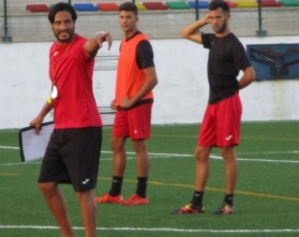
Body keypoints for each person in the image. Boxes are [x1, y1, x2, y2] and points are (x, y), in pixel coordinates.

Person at [29, 2, 112, 237]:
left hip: (84, 128)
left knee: (83, 191)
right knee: (45, 184)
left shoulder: (81, 48)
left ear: (74, 23)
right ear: (52, 26)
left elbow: (91, 46)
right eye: (58, 23)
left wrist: (99, 39)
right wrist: (42, 114)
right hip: (61, 128)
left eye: (67, 22)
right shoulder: (53, 51)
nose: (63, 27)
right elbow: (56, 89)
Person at [172, 0, 256, 215]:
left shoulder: (233, 44)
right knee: (200, 153)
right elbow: (185, 33)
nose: (215, 21)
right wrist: (204, 20)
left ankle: (228, 203)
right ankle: (196, 204)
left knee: (227, 152)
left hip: (227, 102)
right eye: (212, 17)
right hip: (212, 104)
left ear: (228, 16)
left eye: (218, 17)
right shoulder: (212, 40)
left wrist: (233, 88)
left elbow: (250, 74)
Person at [95, 2, 158, 206]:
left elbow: (152, 79)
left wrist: (132, 98)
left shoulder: (142, 43)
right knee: (116, 144)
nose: (124, 21)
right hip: (124, 104)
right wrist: (119, 98)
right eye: (121, 17)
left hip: (139, 103)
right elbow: (129, 74)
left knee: (139, 146)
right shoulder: (125, 43)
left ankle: (141, 194)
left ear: (136, 18)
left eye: (128, 17)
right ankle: (115, 193)